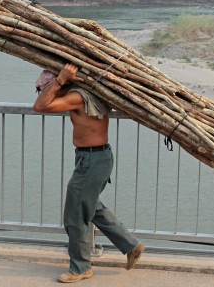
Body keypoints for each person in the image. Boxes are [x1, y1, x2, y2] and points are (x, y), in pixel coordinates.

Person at [33, 63, 145, 284]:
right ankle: (131, 246)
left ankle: (80, 268)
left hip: (92, 159)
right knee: (91, 206)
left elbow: (40, 106)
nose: (50, 91)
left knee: (75, 216)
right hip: (95, 157)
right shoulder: (89, 92)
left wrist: (60, 79)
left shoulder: (77, 97)